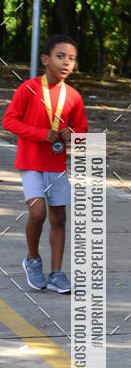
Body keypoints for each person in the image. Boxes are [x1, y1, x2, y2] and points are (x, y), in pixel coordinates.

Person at [3, 35, 88, 293]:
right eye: (60, 56)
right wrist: (42, 134)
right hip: (30, 162)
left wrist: (70, 134)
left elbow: (82, 131)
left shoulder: (73, 96)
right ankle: (32, 259)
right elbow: (9, 121)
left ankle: (57, 274)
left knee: (59, 217)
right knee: (37, 212)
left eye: (71, 58)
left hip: (56, 165)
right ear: (45, 59)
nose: (66, 63)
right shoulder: (28, 89)